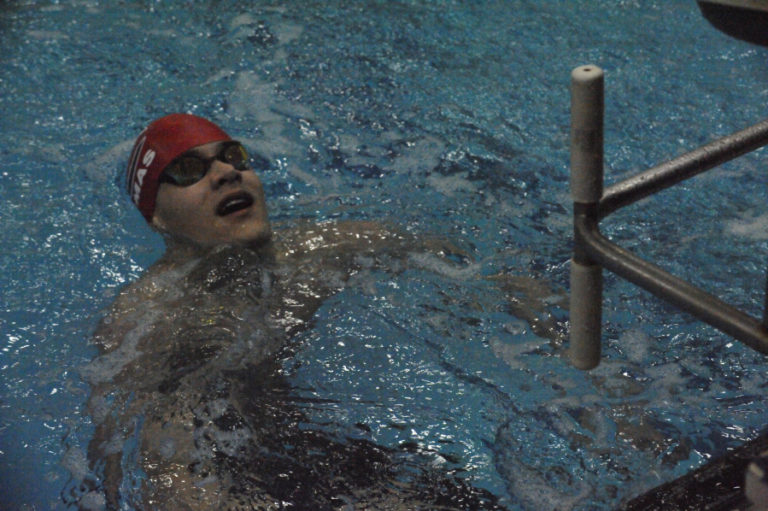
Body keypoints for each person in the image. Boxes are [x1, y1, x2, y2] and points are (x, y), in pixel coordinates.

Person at [82, 113, 512, 510]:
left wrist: (533, 308)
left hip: (305, 450)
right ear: (156, 215)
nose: (226, 172)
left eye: (233, 157)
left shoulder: (313, 252)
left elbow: (462, 261)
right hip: (228, 487)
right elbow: (134, 459)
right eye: (191, 171)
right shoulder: (151, 316)